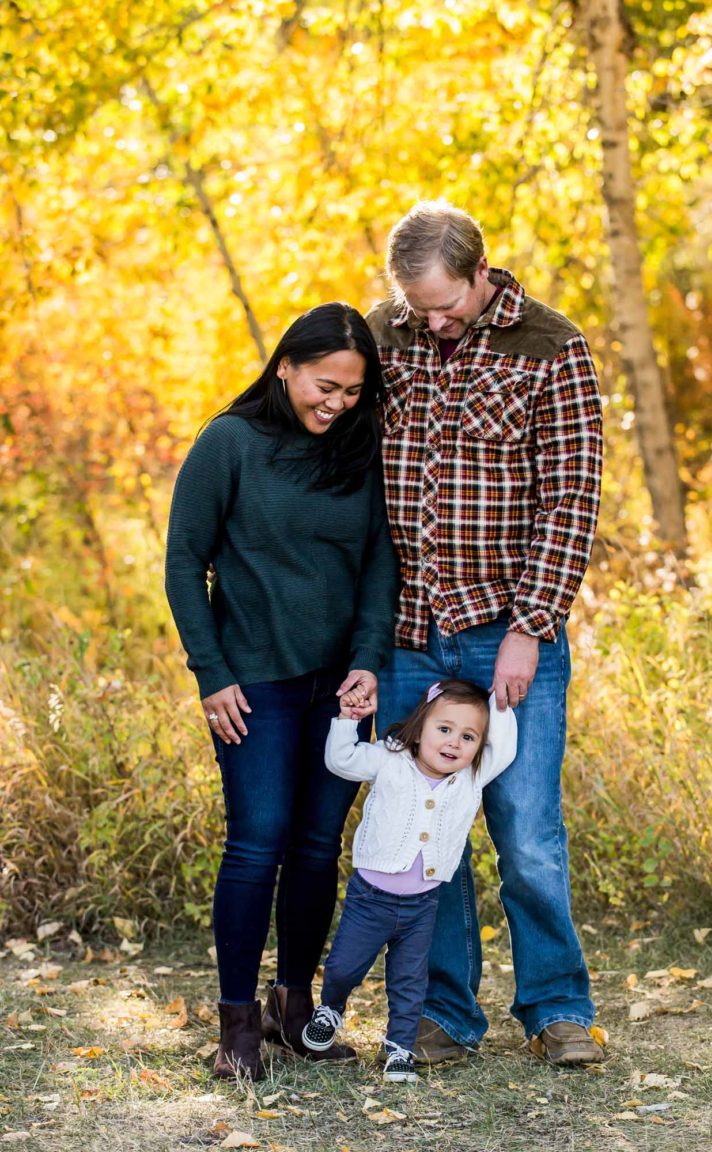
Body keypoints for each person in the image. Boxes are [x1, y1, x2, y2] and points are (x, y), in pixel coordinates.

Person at [365, 201, 604, 1067]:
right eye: (416, 306)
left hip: (505, 634)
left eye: (446, 306)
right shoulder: (384, 337)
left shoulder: (550, 345)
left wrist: (530, 627)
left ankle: (556, 1009)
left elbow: (571, 497)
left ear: (480, 272)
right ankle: (446, 1015)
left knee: (527, 830)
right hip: (405, 636)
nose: (432, 322)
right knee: (429, 832)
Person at [165, 302, 399, 1080]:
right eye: (323, 385)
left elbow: (376, 565)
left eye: (352, 391)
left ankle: (292, 1010)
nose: (335, 403)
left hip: (341, 687)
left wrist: (369, 657)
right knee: (257, 841)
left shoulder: (357, 454)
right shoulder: (228, 443)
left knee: (315, 849)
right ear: (286, 367)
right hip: (253, 683)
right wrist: (212, 674)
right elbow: (184, 563)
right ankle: (235, 1025)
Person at [300, 679, 517, 1084]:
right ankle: (331, 1007)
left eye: (468, 736)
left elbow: (503, 747)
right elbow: (341, 760)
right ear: (419, 728)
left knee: (409, 981)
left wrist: (498, 699)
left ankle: (399, 1048)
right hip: (370, 899)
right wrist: (348, 719)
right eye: (444, 729)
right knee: (345, 966)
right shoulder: (390, 759)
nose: (454, 743)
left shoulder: (472, 776)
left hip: (422, 905)